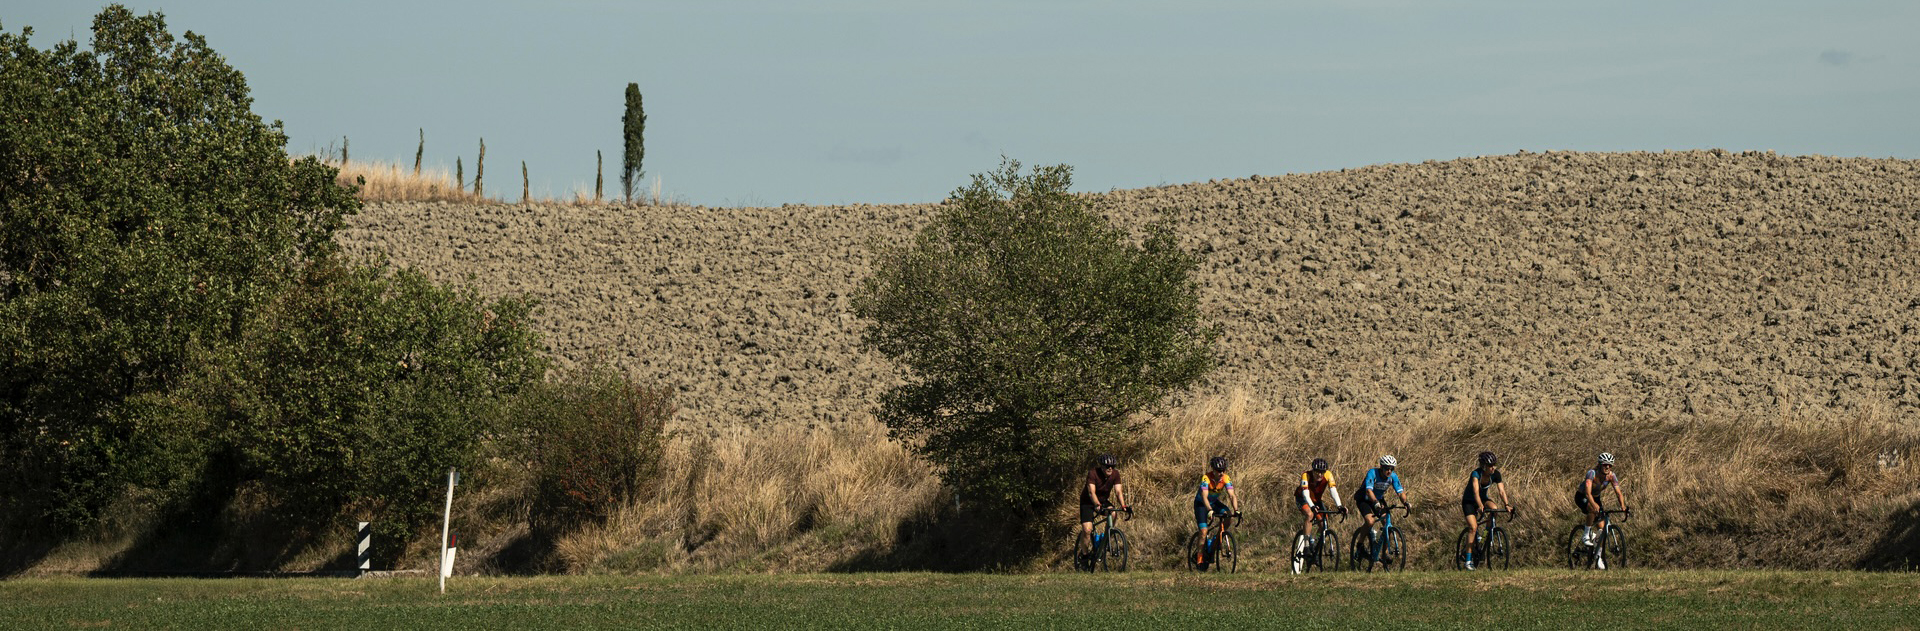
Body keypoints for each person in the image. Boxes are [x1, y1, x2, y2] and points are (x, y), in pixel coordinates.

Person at [1459, 451, 1513, 570]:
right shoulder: (1476, 474)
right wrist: (1479, 506)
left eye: (1494, 464)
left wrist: (1507, 505)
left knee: (1494, 508)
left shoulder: (1496, 474)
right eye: (1490, 466)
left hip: (1482, 499)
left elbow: (1501, 491)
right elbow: (1475, 492)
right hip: (1469, 501)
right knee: (1473, 527)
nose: (1493, 467)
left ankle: (1485, 535)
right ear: (1483, 466)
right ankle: (1468, 561)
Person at [1352, 455, 1409, 563]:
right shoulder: (1372, 473)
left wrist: (1405, 502)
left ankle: (1384, 553)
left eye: (1392, 469)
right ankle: (1359, 545)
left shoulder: (1393, 476)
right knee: (1370, 521)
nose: (1389, 471)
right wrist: (1375, 503)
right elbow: (1369, 491)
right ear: (1381, 467)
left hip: (1378, 499)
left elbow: (1400, 492)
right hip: (1365, 499)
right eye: (1387, 468)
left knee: (1387, 522)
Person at [1077, 454, 1129, 567]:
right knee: (1087, 529)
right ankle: (1084, 555)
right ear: (1101, 466)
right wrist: (1096, 504)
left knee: (1113, 513)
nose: (1110, 468)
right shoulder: (1093, 473)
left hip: (1102, 500)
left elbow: (1118, 492)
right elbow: (1091, 492)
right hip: (1088, 502)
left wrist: (1123, 505)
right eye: (1107, 466)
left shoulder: (1115, 474)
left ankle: (1105, 538)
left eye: (1112, 466)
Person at [1574, 452, 1629, 549]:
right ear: (1600, 464)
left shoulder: (1611, 476)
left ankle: (1598, 557)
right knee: (1592, 508)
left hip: (1596, 497)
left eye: (1610, 465)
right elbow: (1588, 493)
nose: (1607, 467)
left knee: (1602, 528)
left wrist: (1623, 506)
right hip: (1582, 496)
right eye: (1605, 464)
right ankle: (1586, 535)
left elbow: (1618, 493)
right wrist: (1594, 505)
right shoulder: (1592, 473)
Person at [1193, 455, 1242, 563]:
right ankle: (1199, 558)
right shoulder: (1206, 478)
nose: (1221, 473)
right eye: (1219, 470)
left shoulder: (1225, 478)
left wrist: (1236, 510)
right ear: (1213, 470)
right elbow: (1204, 496)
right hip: (1201, 504)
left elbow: (1232, 495)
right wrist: (1209, 510)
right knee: (1204, 531)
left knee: (1228, 516)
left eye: (1223, 470)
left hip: (1214, 503)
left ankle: (1215, 541)